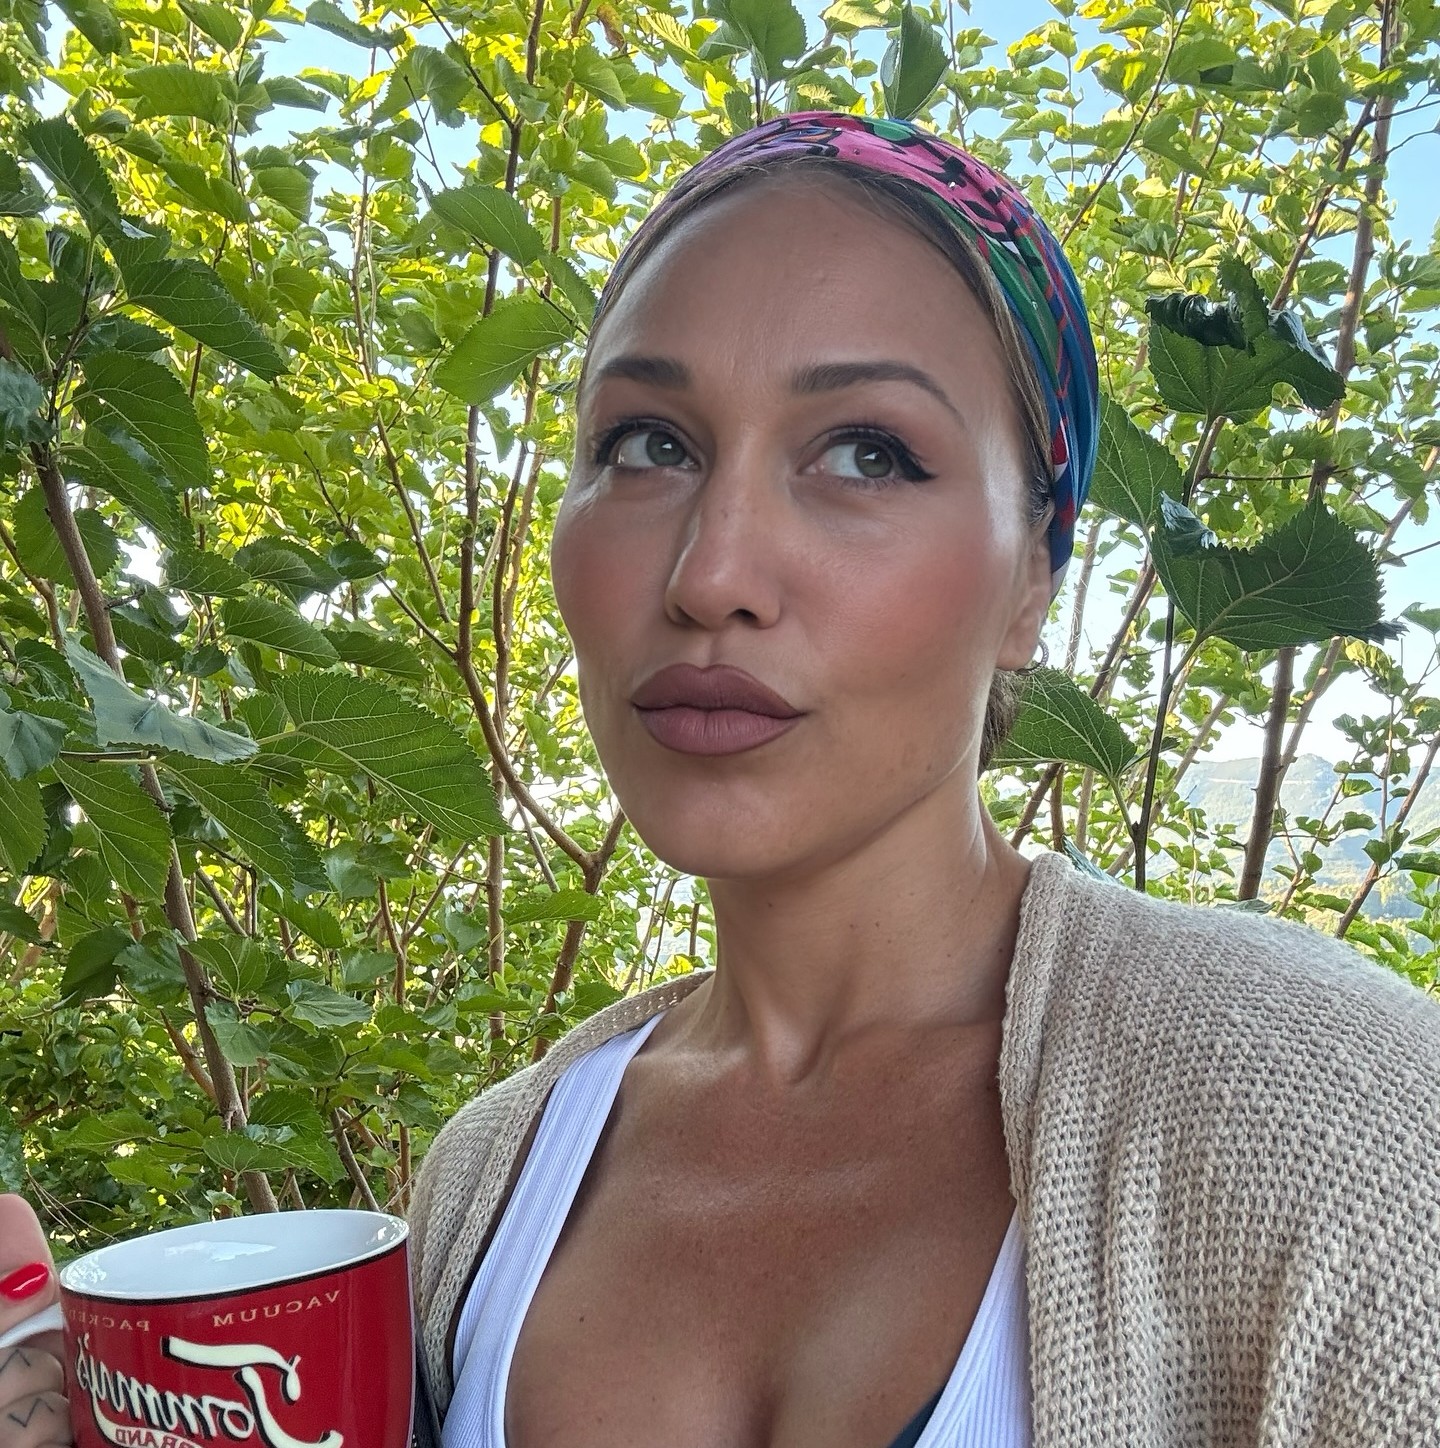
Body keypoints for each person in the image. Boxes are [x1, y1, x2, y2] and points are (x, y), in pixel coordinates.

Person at [3, 110, 1438, 1448]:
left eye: (867, 454)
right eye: (648, 446)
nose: (713, 573)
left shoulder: (1339, 1129)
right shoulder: (490, 1183)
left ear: (1033, 579)